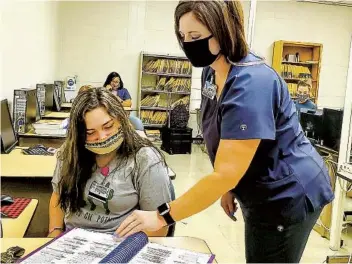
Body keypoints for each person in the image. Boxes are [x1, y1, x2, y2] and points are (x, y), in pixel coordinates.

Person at [116, 1, 334, 263]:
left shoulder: (251, 84)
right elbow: (221, 138)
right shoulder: (212, 70)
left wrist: (161, 215)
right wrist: (230, 187)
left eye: (196, 37)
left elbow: (226, 172)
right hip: (258, 182)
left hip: (288, 192)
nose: (188, 44)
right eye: (183, 36)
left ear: (224, 30)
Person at [48, 87, 173, 238]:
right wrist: (54, 232)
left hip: (120, 243)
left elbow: (159, 224)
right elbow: (58, 195)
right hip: (73, 240)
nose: (102, 137)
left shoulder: (145, 158)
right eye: (90, 133)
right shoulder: (71, 152)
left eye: (108, 126)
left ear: (121, 119)